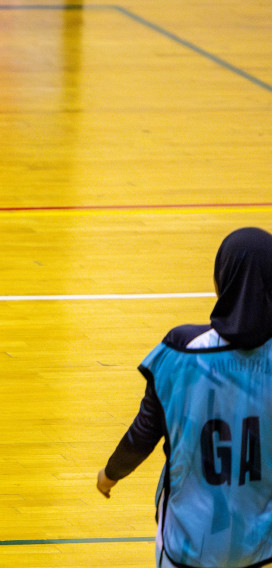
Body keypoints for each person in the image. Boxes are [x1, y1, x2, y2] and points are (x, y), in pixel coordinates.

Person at [97, 227, 272, 568]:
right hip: (259, 543)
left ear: (221, 280)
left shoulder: (181, 351)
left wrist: (111, 473)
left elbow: (143, 433)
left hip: (189, 543)